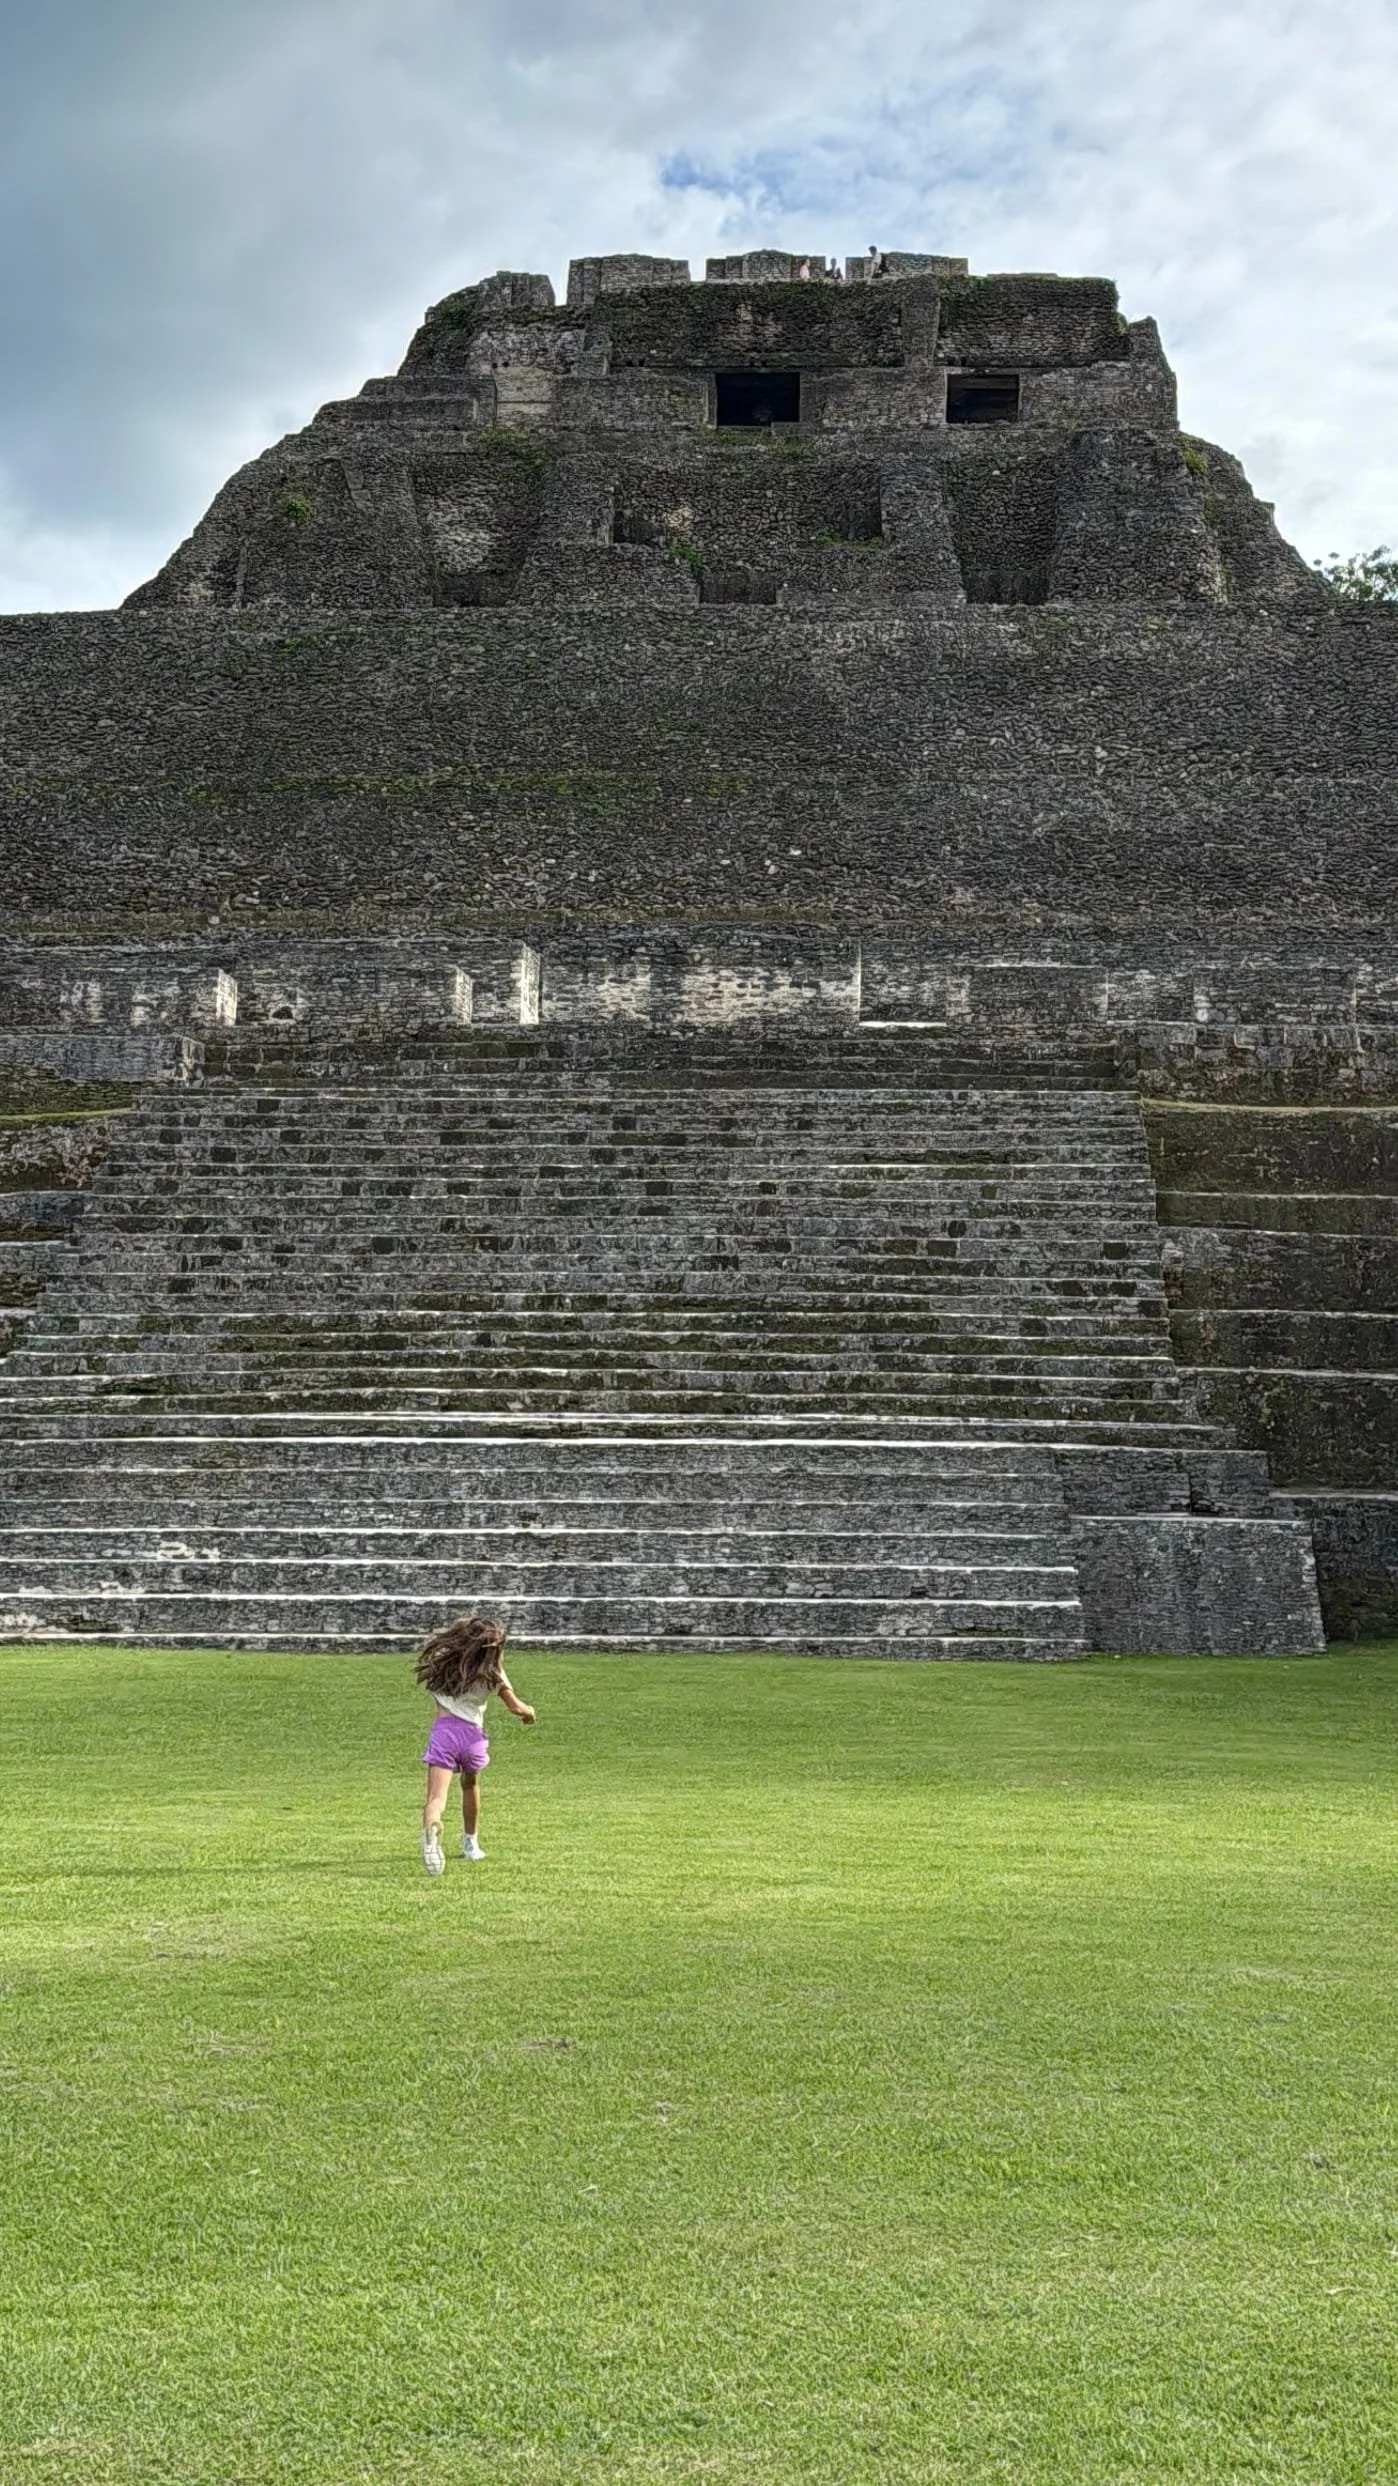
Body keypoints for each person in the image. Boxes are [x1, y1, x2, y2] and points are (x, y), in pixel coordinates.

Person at [416, 1614, 535, 1873]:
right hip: (473, 1738)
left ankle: (433, 1829)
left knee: (436, 1797)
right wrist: (530, 1713)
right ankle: (471, 1843)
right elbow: (515, 1706)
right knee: (470, 1785)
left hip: (445, 1733)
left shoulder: (445, 1659)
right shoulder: (492, 1670)